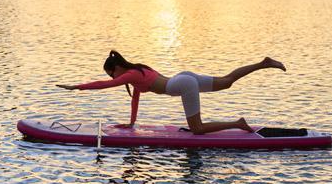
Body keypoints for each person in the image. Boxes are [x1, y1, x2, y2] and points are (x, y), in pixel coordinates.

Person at [57, 50, 286, 135]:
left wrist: (77, 87)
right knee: (227, 81)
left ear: (117, 68)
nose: (112, 79)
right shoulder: (138, 70)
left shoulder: (129, 74)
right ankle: (263, 63)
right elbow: (135, 99)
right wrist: (131, 123)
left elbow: (102, 85)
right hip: (183, 77)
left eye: (111, 74)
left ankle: (238, 123)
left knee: (197, 129)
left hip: (184, 85)